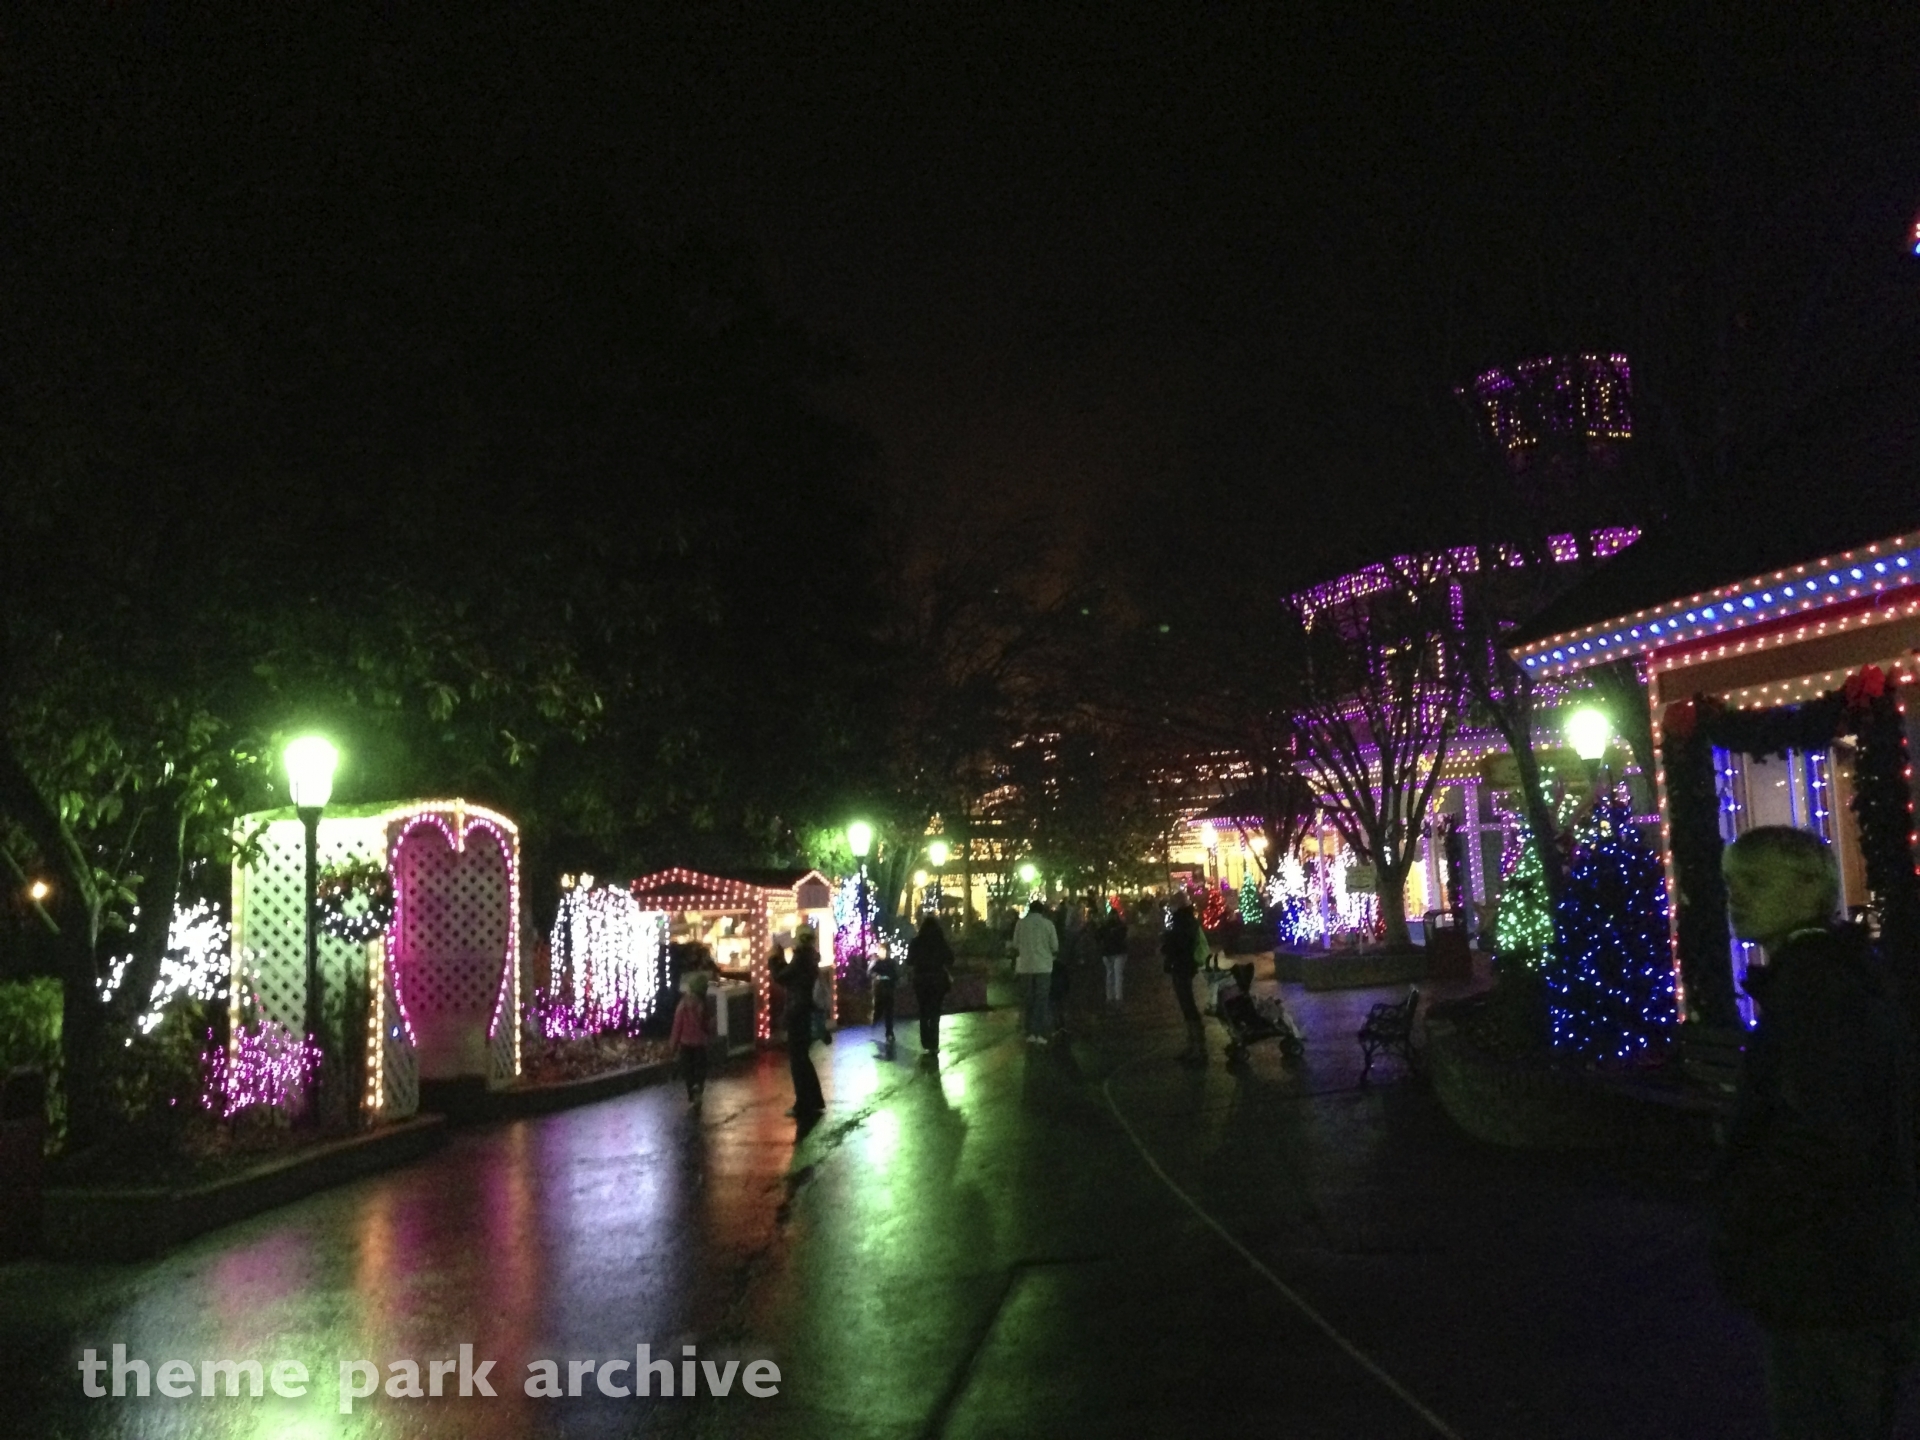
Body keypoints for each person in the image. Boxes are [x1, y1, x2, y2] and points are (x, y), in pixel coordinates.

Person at [1711, 826, 1920, 1440]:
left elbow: (1827, 1138)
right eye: (1731, 884)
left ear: (1810, 888)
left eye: (1755, 882)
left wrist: (1745, 1206)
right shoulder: (1830, 979)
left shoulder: (1813, 992)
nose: (1737, 897)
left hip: (1827, 1276)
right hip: (1847, 1270)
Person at [771, 926, 826, 1118]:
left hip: (798, 1012)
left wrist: (774, 958)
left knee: (798, 1060)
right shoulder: (810, 957)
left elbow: (781, 977)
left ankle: (803, 1103)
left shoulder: (801, 957)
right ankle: (814, 1100)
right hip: (805, 1011)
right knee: (803, 1058)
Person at [1162, 892, 1207, 1063]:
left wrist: (1167, 943)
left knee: (1188, 1005)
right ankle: (1194, 1045)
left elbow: (1180, 944)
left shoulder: (1183, 921)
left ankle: (1198, 1047)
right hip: (1184, 966)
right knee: (1186, 1005)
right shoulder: (1186, 919)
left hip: (1182, 966)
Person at [907, 914, 955, 1060]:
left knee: (923, 1011)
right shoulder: (940, 941)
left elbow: (909, 961)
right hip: (937, 979)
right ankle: (934, 1044)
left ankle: (925, 1041)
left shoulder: (916, 942)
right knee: (935, 1012)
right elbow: (950, 959)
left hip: (921, 979)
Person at [1012, 899, 1059, 1045]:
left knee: (1028, 999)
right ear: (1042, 911)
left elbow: (1015, 944)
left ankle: (1029, 1032)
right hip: (1044, 967)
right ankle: (1040, 1032)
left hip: (1025, 967)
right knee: (1041, 999)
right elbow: (1055, 946)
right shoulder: (1048, 925)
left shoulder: (1020, 924)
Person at [670, 972, 711, 1103]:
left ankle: (691, 1092)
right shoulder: (704, 1005)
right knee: (700, 1068)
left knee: (688, 1070)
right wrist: (709, 1035)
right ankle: (698, 1087)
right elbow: (707, 1025)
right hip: (700, 1044)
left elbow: (677, 1026)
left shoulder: (682, 1005)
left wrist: (673, 1046)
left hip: (685, 1044)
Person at [1050, 902, 1084, 1039]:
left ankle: (1057, 1025)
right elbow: (1074, 951)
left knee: (1054, 998)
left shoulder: (1052, 932)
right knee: (1063, 998)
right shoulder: (1069, 934)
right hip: (1065, 967)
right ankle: (1064, 1024)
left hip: (1054, 967)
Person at [1098, 903, 1130, 1006]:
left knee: (1110, 974)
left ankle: (1110, 996)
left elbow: (1098, 937)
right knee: (1118, 975)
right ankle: (1118, 997)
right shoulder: (1121, 926)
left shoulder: (1104, 926)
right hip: (1119, 952)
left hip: (1107, 952)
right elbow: (1124, 936)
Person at [868, 947, 898, 1052]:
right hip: (880, 991)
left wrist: (890, 979)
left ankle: (889, 1032)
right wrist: (877, 976)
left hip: (888, 990)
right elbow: (870, 972)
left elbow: (896, 975)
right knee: (879, 1010)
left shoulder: (891, 963)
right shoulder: (877, 963)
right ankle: (874, 1023)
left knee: (888, 1012)